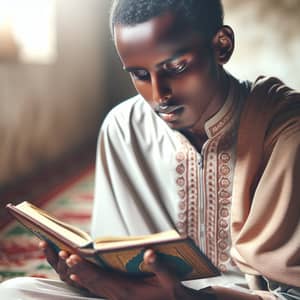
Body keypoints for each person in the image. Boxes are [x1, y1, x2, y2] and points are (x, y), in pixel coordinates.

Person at [0, 0, 299, 299]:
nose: (159, 96)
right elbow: (115, 263)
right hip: (138, 294)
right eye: (140, 75)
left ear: (221, 45)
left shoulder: (285, 128)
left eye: (176, 67)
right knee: (13, 293)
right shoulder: (124, 126)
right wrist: (87, 275)